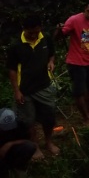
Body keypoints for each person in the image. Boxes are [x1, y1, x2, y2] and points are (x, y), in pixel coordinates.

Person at [6, 15, 58, 156]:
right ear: (24, 29)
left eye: (36, 31)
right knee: (28, 121)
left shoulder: (45, 38)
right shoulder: (16, 46)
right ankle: (35, 146)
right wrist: (16, 91)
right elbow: (12, 70)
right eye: (31, 33)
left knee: (49, 118)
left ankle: (48, 142)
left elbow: (51, 54)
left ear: (40, 27)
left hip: (44, 86)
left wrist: (51, 62)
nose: (34, 35)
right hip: (25, 90)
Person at [54, 1, 89, 126]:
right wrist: (58, 30)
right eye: (88, 11)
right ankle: (86, 118)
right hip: (76, 62)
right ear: (85, 9)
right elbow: (57, 38)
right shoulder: (74, 20)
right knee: (79, 91)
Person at [0, 108, 40, 175]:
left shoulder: (21, 124)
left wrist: (10, 144)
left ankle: (17, 167)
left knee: (29, 146)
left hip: (13, 150)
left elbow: (28, 140)